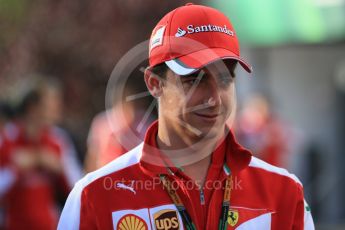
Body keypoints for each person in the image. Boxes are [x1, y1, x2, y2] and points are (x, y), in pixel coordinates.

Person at [58, 4, 314, 229]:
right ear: (154, 83)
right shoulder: (93, 196)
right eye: (196, 79)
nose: (214, 97)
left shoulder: (284, 191)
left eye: (225, 79)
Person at [0, 80, 82, 229]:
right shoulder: (6, 138)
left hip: (48, 225)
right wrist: (17, 170)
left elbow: (77, 186)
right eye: (51, 105)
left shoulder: (58, 139)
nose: (57, 110)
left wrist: (59, 167)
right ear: (33, 108)